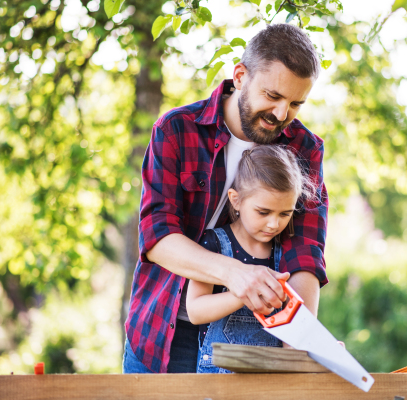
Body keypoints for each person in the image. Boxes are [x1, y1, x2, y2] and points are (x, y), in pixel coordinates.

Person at [123, 23, 329, 374]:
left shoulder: (304, 149)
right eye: (273, 96)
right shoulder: (176, 129)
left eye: (295, 103)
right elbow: (157, 238)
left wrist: (302, 341)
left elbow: (305, 253)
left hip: (250, 339)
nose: (282, 114)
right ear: (240, 76)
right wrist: (237, 274)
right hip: (165, 332)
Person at [187, 145, 316, 373]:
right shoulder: (213, 243)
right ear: (236, 200)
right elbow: (196, 310)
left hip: (271, 381)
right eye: (263, 212)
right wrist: (244, 291)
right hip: (217, 382)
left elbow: (292, 323)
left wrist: (316, 350)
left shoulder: (285, 254)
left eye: (285, 214)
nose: (274, 224)